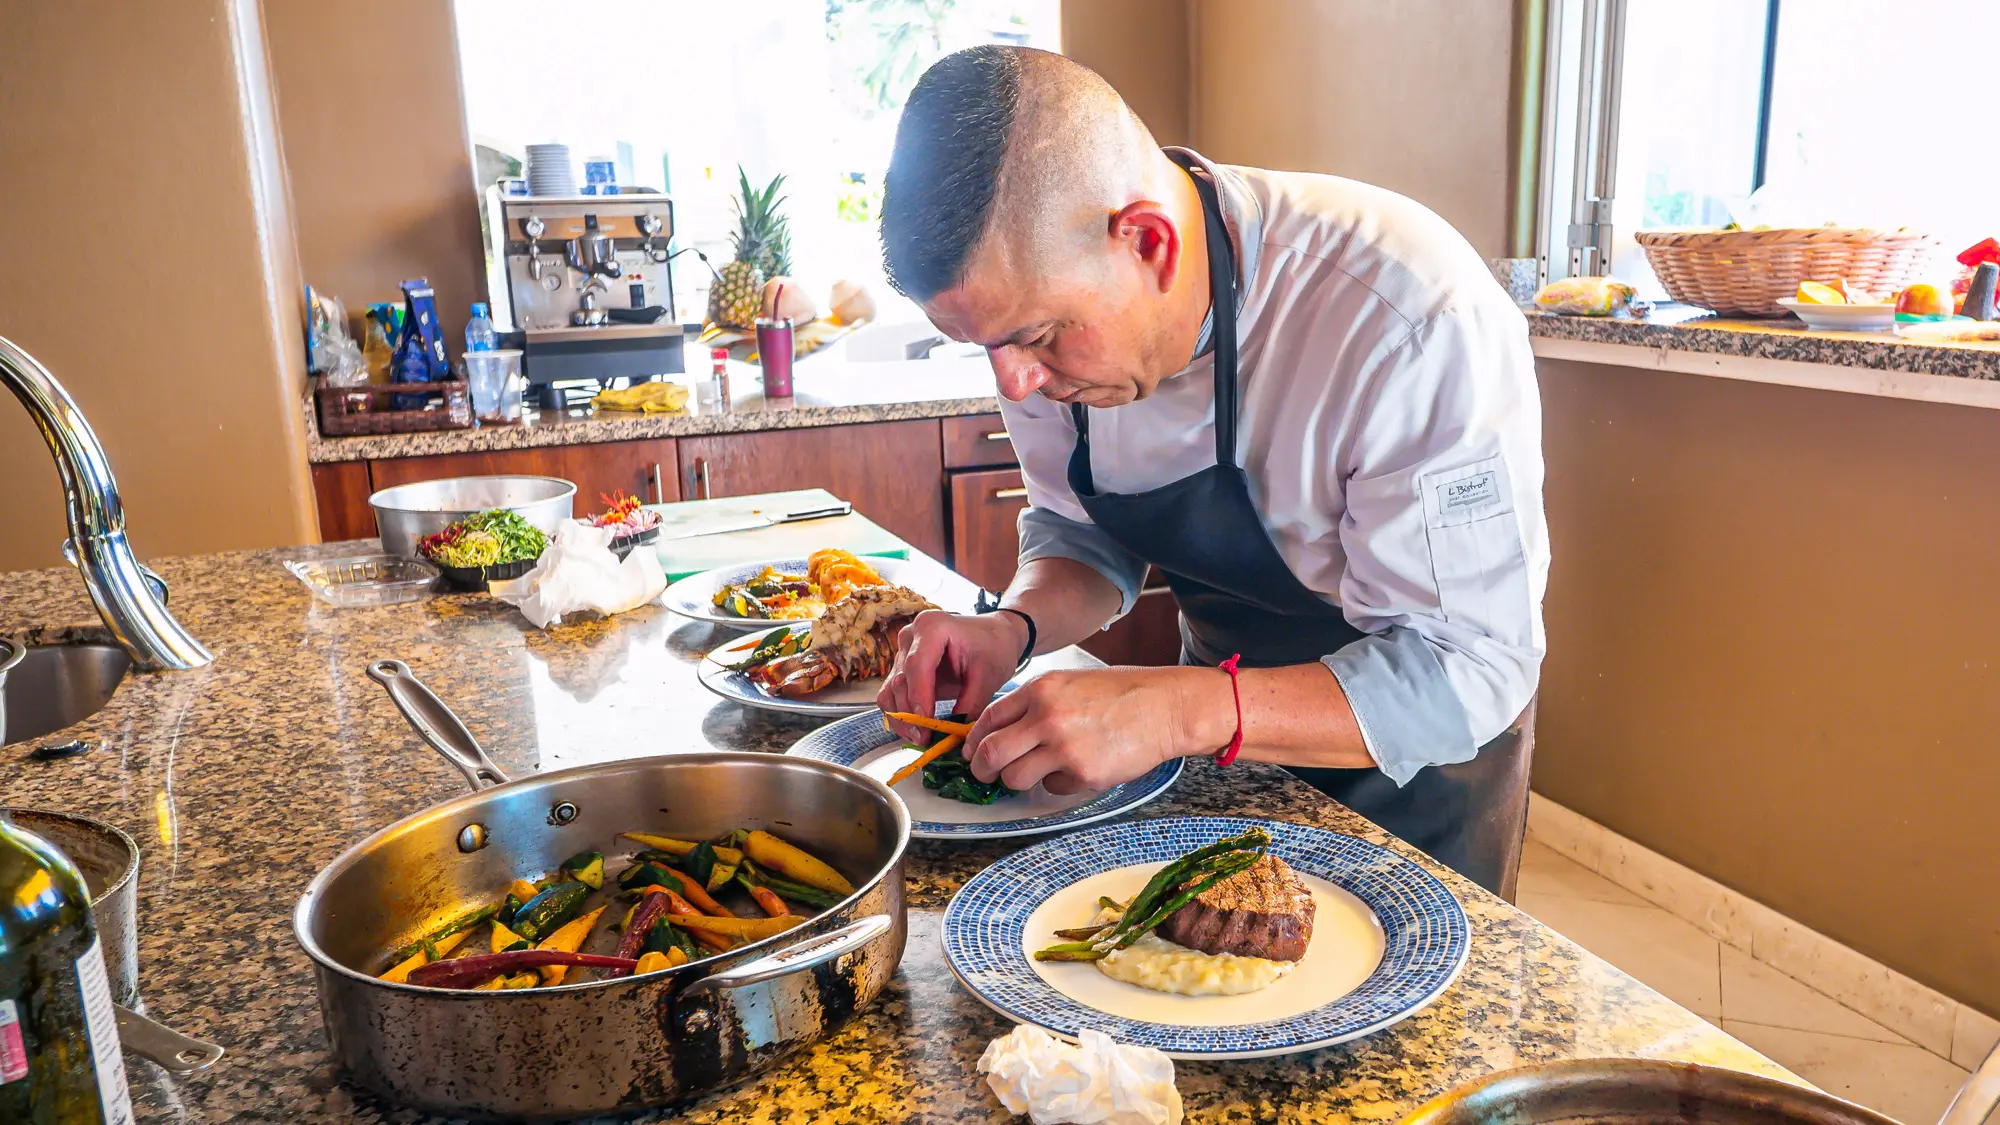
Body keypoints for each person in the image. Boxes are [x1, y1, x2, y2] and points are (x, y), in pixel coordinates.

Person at [873, 46, 1549, 895]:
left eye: (1039, 336)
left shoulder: (1411, 317)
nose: (1015, 384)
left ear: (1148, 242)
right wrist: (1014, 628)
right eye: (989, 348)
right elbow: (1080, 534)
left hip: (1420, 787)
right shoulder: (1042, 329)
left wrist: (1175, 706)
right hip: (1216, 768)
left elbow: (1471, 668)